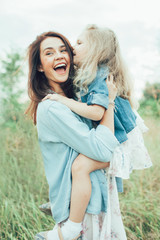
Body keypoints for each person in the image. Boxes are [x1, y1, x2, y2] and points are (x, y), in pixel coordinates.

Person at [42, 25, 152, 238]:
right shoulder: (87, 74)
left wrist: (62, 100)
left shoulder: (100, 77)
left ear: (96, 50)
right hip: (111, 138)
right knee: (80, 166)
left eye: (80, 43)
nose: (73, 47)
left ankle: (72, 225)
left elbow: (95, 113)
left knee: (80, 167)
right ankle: (69, 204)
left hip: (117, 142)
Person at [26, 31, 126, 240]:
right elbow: (101, 151)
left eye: (64, 50)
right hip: (82, 211)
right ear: (40, 66)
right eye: (50, 53)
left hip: (94, 198)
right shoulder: (52, 107)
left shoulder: (79, 95)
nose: (60, 56)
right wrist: (109, 101)